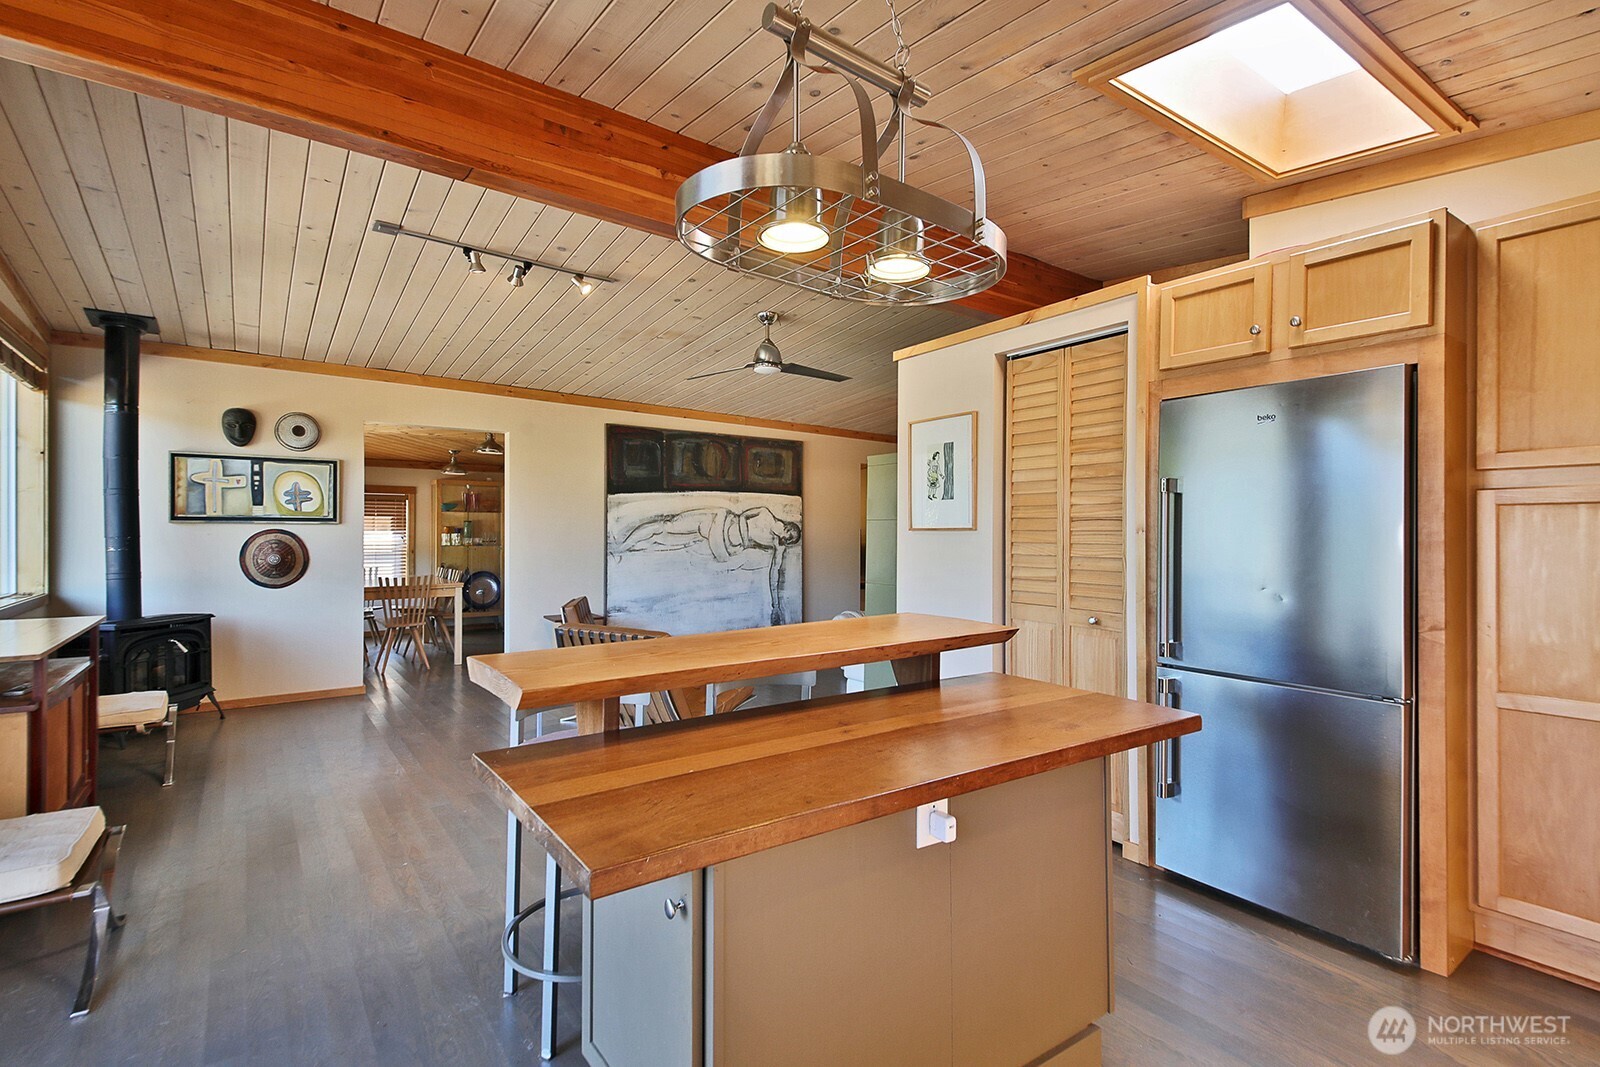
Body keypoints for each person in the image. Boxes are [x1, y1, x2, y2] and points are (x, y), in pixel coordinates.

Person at [610, 505, 800, 624]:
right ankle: (622, 547)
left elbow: (774, 575)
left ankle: (622, 548)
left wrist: (776, 606)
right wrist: (743, 537)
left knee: (664, 534)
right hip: (718, 524)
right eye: (788, 533)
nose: (785, 537)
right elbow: (742, 517)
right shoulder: (765, 513)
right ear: (787, 526)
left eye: (788, 540)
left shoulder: (777, 545)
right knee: (664, 531)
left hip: (721, 540)